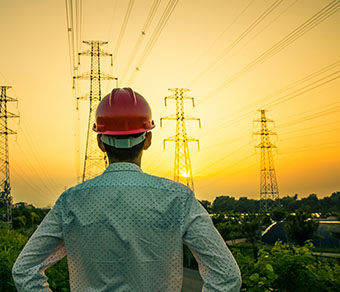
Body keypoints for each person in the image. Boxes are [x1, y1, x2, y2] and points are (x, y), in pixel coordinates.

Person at [12, 88, 241, 291]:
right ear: (148, 139)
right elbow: (227, 276)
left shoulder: (70, 201)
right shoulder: (178, 199)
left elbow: (24, 270)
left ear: (101, 142)